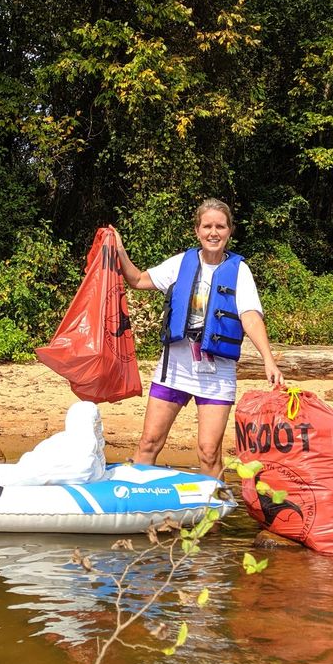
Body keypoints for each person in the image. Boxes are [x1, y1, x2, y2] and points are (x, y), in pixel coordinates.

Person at [110, 199, 283, 478]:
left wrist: (269, 360)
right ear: (197, 231)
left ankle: (212, 519)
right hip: (175, 367)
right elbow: (138, 280)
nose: (213, 232)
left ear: (230, 231)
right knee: (149, 442)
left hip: (216, 372)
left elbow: (250, 316)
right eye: (207, 226)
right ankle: (136, 511)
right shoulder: (182, 262)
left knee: (208, 452)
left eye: (220, 226)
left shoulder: (240, 271)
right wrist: (119, 249)